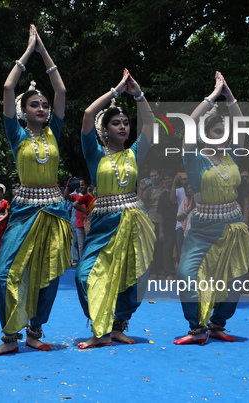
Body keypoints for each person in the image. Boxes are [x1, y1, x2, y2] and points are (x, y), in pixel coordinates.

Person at [0, 25, 70, 356]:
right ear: (24, 111)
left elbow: (61, 90)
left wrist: (44, 52)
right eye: (35, 105)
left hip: (54, 210)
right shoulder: (16, 134)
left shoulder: (55, 132)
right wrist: (28, 51)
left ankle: (34, 330)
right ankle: (9, 336)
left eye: (45, 106)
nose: (43, 109)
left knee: (46, 274)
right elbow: (8, 87)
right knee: (5, 273)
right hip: (23, 210)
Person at [75, 69, 154, 348]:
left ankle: (116, 327)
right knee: (85, 275)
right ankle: (101, 326)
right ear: (104, 130)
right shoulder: (95, 154)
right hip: (103, 224)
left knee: (131, 277)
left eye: (125, 123)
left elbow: (151, 126)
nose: (123, 127)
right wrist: (117, 89)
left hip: (133, 219)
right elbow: (87, 115)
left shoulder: (134, 153)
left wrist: (139, 95)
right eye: (116, 123)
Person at [174, 72, 249, 345]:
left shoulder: (233, 156)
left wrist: (229, 96)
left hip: (232, 225)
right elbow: (189, 125)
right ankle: (196, 329)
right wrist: (212, 97)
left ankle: (218, 324)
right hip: (203, 228)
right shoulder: (194, 160)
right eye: (218, 131)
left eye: (224, 132)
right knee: (186, 273)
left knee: (235, 278)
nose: (224, 136)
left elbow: (242, 126)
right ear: (205, 135)